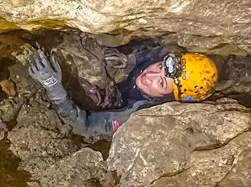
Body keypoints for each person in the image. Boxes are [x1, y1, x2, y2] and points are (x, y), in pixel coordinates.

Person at [24, 43, 217, 139]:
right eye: (159, 67)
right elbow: (159, 50)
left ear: (169, 98)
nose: (149, 75)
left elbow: (85, 127)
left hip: (108, 107)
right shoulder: (164, 60)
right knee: (88, 53)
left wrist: (53, 87)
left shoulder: (139, 114)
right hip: (117, 86)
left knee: (87, 76)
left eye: (161, 84)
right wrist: (128, 60)